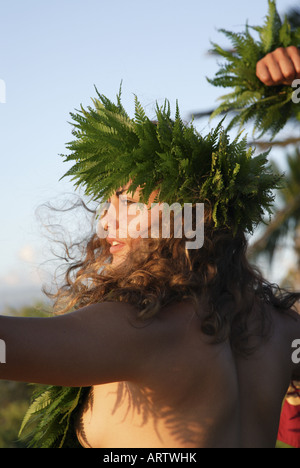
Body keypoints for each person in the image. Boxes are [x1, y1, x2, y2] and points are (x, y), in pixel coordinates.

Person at [1, 91, 300, 449]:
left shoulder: (141, 330)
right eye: (107, 205)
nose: (107, 224)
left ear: (189, 211)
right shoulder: (279, 329)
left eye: (127, 203)